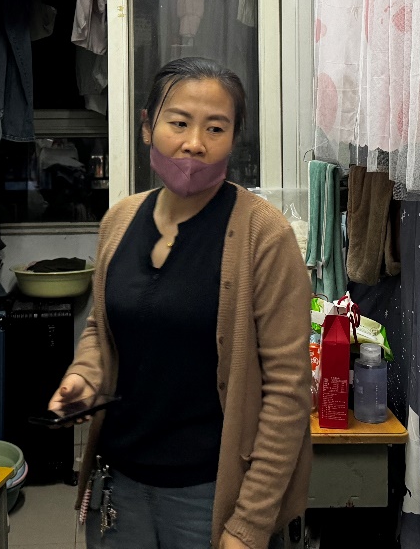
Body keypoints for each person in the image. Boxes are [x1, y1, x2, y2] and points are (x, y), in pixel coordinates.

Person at [48, 57, 312, 549]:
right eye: (179, 123)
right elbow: (103, 329)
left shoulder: (264, 236)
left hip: (210, 497)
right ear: (148, 126)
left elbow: (288, 391)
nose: (195, 143)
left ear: (234, 138)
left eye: (216, 128)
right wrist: (84, 376)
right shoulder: (120, 221)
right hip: (118, 487)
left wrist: (249, 524)